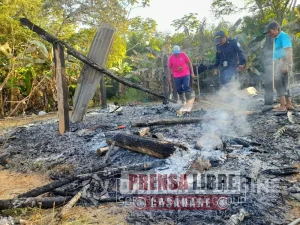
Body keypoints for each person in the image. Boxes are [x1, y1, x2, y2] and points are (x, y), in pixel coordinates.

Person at [263, 21, 293, 111]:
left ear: (276, 28)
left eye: (270, 31)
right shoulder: (276, 38)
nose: (269, 34)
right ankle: (289, 104)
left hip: (282, 61)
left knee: (278, 83)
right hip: (280, 62)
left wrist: (285, 64)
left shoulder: (283, 36)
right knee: (285, 83)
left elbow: (288, 50)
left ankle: (282, 106)